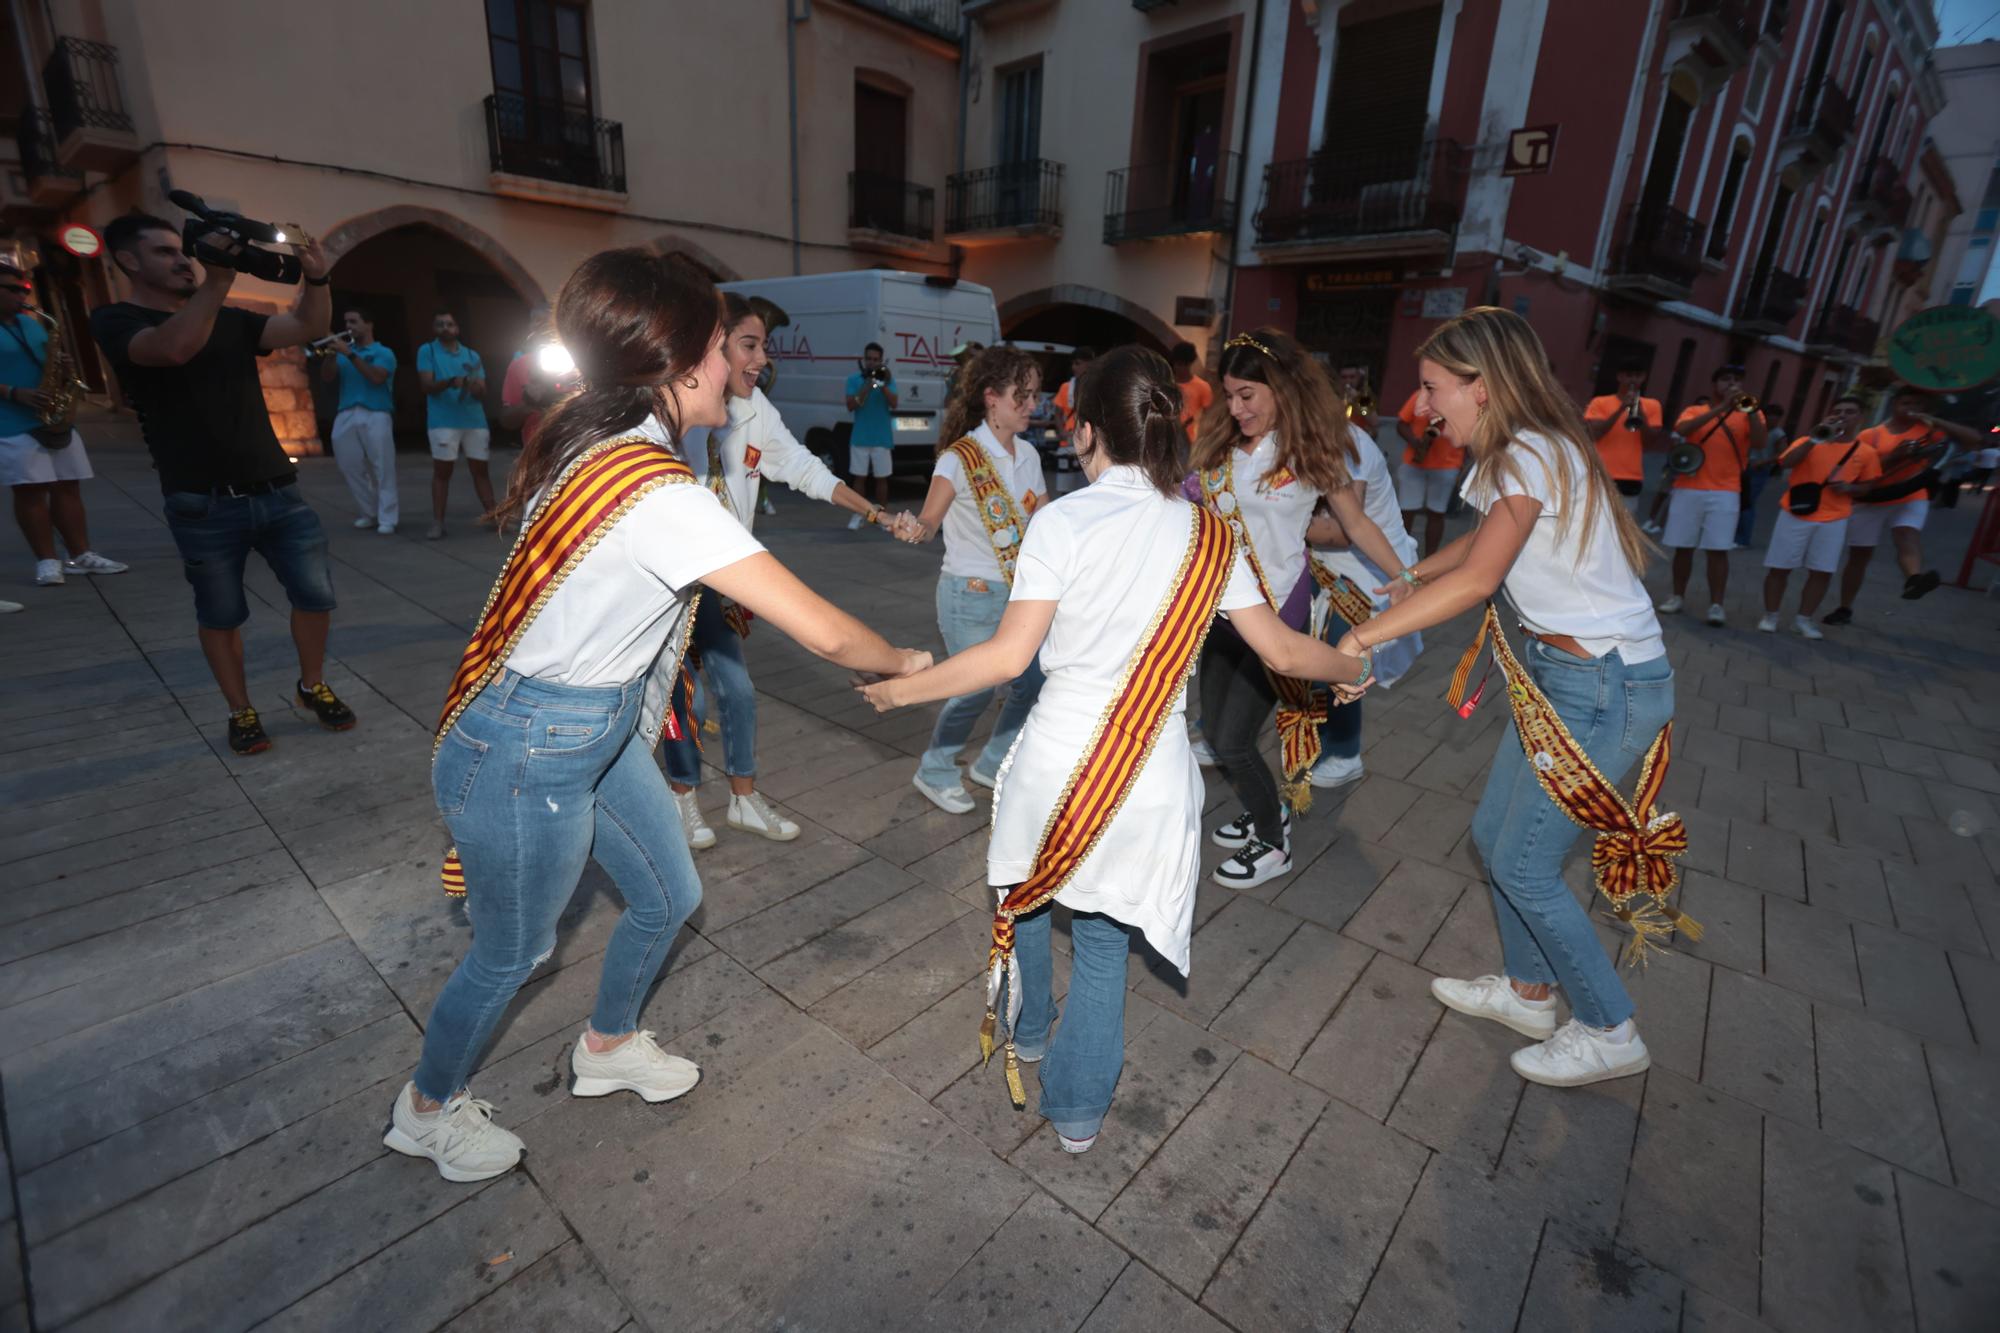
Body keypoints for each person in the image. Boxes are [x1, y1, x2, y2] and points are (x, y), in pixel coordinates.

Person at [387, 248, 929, 1184]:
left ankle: (606, 1046)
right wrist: (911, 662)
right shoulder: (657, 488)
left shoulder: (606, 444)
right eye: (726, 347)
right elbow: (832, 637)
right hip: (531, 744)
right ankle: (425, 1108)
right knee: (514, 949)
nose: (740, 366)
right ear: (680, 361)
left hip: (590, 732)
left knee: (671, 894)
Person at [857, 347, 1367, 1151]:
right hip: (1147, 773)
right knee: (1101, 944)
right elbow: (1288, 654)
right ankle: (1081, 1115)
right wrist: (1351, 667)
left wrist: (896, 690)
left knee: (1023, 899)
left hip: (1058, 761)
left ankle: (1028, 1035)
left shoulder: (1061, 522)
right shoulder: (1208, 533)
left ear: (1086, 430)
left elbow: (1006, 658)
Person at [1330, 305, 1671, 1088]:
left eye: (1432, 387)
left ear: (1482, 386)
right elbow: (1482, 550)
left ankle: (1610, 1026)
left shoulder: (1530, 453)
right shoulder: (1512, 456)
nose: (1420, 407)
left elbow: (1483, 579)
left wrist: (1363, 636)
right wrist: (1415, 573)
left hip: (1604, 688)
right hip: (1563, 682)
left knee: (1525, 865)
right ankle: (1527, 993)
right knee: (1494, 836)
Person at [90, 211, 355, 757]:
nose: (182, 260)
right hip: (201, 502)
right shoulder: (118, 320)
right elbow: (172, 349)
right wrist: (216, 280)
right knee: (221, 612)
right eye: (164, 252)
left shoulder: (232, 319)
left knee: (315, 597)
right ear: (128, 261)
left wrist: (318, 278)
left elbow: (306, 327)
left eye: (180, 250)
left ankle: (311, 686)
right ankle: (241, 710)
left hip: (278, 491)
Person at [665, 292, 908, 849]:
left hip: (724, 582)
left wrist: (874, 511)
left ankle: (744, 798)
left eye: (764, 347)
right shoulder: (677, 416)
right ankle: (682, 798)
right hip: (673, 586)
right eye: (749, 345)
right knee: (685, 697)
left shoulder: (754, 410)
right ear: (711, 348)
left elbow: (801, 468)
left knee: (739, 693)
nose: (761, 359)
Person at [1192, 328, 1412, 888]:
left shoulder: (1308, 446)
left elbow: (1355, 523)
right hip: (1218, 610)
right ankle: (1266, 807)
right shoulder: (1220, 439)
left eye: (1248, 395)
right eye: (1230, 395)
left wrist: (1403, 576)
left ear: (1281, 388)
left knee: (1235, 740)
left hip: (1274, 616)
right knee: (1218, 736)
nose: (1236, 407)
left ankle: (1274, 840)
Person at [893, 344, 1049, 814]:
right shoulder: (959, 458)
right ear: (991, 398)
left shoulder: (1029, 455)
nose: (1031, 405)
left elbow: (1044, 522)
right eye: (1020, 395)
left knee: (1032, 681)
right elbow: (930, 521)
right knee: (974, 687)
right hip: (970, 594)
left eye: (1035, 395)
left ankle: (993, 760)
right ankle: (935, 770)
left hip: (1018, 594)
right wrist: (910, 527)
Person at [1305, 403, 1422, 789]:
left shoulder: (1345, 445)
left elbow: (1343, 530)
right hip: (1330, 569)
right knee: (1318, 662)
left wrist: (1273, 519)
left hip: (1367, 575)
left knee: (1340, 663)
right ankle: (1321, 742)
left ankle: (1344, 752)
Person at [0, 261, 125, 586]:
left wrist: (64, 366)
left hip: (53, 417)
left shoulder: (32, 324)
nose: (21, 295)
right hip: (12, 420)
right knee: (30, 491)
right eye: (13, 289)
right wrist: (14, 393)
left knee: (68, 484)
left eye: (24, 289)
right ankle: (47, 561)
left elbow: (47, 357)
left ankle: (80, 555)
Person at [1824, 386, 1983, 623]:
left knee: (1907, 534)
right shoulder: (1871, 435)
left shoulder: (1928, 430)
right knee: (1859, 555)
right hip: (1872, 498)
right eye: (1906, 404)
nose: (1911, 409)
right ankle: (1844, 608)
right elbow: (1861, 473)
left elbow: (1975, 440)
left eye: (1917, 405)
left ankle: (1914, 578)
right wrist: (1896, 456)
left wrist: (1937, 421)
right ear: (1895, 405)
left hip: (1910, 493)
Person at [1758, 395, 1882, 639]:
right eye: (1838, 411)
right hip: (1796, 513)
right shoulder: (1807, 440)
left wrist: (1850, 488)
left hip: (1834, 518)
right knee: (1779, 567)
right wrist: (1814, 438)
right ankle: (1770, 615)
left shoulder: (1866, 452)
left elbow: (1869, 487)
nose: (1843, 416)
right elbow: (1785, 463)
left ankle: (1803, 620)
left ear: (1860, 418)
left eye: (1849, 412)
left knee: (1822, 571)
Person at [1657, 367, 1758, 626]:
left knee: (1718, 549)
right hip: (1690, 486)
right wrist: (1721, 408)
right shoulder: (1695, 410)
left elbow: (1759, 442)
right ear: (1714, 384)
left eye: (1736, 380)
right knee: (1683, 546)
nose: (1731, 384)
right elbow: (1684, 429)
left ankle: (1716, 605)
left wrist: (1753, 412)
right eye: (1726, 379)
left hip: (1726, 490)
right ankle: (1677, 596)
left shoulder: (1748, 413)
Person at [320, 304, 398, 535]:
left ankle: (388, 517)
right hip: (346, 412)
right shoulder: (345, 353)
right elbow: (327, 377)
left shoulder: (384, 353)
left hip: (376, 413)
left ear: (368, 324)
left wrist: (350, 354)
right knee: (349, 466)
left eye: (354, 322)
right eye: (346, 323)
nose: (348, 327)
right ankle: (369, 512)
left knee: (382, 467)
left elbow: (376, 377)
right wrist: (331, 356)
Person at [417, 310, 492, 540]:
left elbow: (483, 391)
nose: (445, 328)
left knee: (481, 470)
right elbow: (426, 386)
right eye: (440, 324)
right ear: (434, 329)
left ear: (457, 328)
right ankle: (438, 522)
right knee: (442, 471)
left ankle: (494, 516)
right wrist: (451, 382)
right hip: (443, 421)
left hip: (474, 420)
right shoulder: (427, 351)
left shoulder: (471, 355)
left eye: (449, 324)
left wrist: (473, 386)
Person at [1582, 364, 1664, 511]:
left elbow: (1650, 441)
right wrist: (1621, 409)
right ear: (1620, 376)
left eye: (1637, 375)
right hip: (1600, 471)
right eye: (1628, 375)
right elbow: (1595, 434)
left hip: (1630, 477)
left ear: (1644, 378)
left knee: (1621, 530)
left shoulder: (1653, 405)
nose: (1632, 379)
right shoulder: (1600, 402)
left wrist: (1641, 413)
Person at [1395, 388, 1464, 556]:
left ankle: (1429, 559)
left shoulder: (1461, 398)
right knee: (1406, 511)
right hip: (1414, 462)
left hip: (1447, 464)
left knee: (1437, 513)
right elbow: (1401, 424)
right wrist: (1416, 443)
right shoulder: (1420, 395)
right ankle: (1401, 555)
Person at [843, 341, 897, 529]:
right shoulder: (854, 380)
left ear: (881, 361)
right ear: (864, 360)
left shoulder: (888, 379)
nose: (872, 363)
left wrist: (882, 385)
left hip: (882, 438)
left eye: (876, 360)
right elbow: (851, 405)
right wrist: (867, 384)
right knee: (859, 478)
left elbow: (894, 403)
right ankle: (859, 514)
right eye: (869, 359)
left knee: (882, 479)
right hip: (860, 437)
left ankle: (881, 517)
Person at [1051, 344, 1095, 448]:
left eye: (1078, 363)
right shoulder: (1065, 387)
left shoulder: (1097, 387)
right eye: (1073, 364)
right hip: (1068, 441)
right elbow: (1057, 415)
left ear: (1090, 364)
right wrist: (1061, 432)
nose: (1073, 367)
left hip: (1089, 443)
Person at [1169, 341, 1212, 444]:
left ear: (1189, 364)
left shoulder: (1202, 387)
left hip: (1191, 441)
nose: (1179, 368)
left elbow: (1209, 416)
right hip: (1169, 438)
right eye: (1177, 364)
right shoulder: (1167, 384)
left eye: (1183, 365)